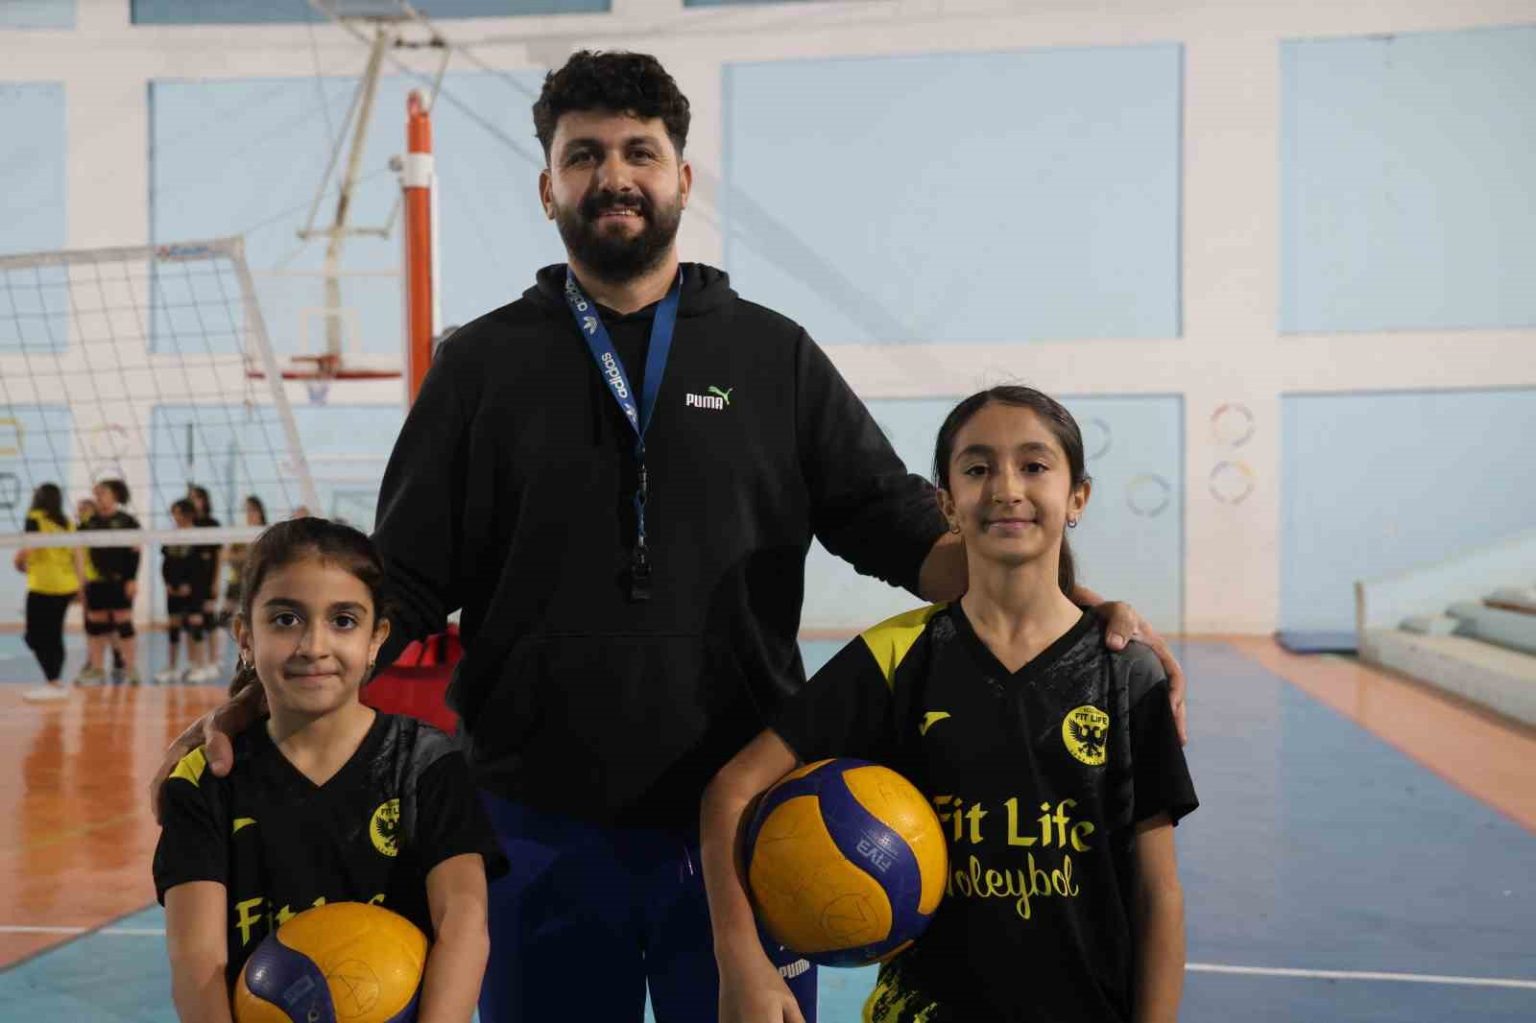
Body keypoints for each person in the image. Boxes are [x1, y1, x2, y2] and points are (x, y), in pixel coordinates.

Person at [152, 50, 1187, 1023]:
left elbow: (907, 532)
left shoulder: (774, 357)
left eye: (639, 152)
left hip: (752, 827)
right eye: (585, 155)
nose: (615, 176)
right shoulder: (479, 368)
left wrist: (1066, 611)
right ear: (548, 187)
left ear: (682, 177)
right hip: (532, 822)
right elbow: (401, 586)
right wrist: (252, 704)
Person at [702, 387, 1197, 1023]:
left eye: (1034, 465)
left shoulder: (1126, 672)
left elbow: (1158, 893)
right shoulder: (894, 656)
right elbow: (733, 789)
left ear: (1078, 497)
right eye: (978, 468)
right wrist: (742, 960)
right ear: (947, 504)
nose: (1006, 488)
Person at [153, 517, 506, 1022]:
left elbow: (463, 927)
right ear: (245, 637)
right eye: (285, 619)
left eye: (343, 620)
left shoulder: (427, 764)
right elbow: (197, 960)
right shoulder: (206, 782)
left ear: (377, 638)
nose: (314, 646)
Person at [17, 483, 81, 703]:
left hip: (43, 585)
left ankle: (53, 683)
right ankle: (55, 682)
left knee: (34, 636)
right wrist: (81, 587)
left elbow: (30, 547)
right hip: (66, 585)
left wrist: (18, 560)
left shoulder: (34, 518)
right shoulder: (68, 523)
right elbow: (77, 556)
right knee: (53, 634)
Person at [77, 478, 142, 686]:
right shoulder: (88, 522)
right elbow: (79, 551)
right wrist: (81, 582)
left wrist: (132, 579)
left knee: (124, 623)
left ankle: (131, 669)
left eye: (102, 492)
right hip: (96, 582)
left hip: (120, 580)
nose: (98, 497)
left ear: (115, 495)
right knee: (96, 624)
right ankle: (97, 669)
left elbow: (135, 551)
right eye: (96, 494)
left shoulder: (127, 521)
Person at [156, 499, 205, 685]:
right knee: (173, 626)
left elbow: (201, 567)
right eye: (174, 513)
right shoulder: (171, 535)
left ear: (188, 514)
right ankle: (172, 667)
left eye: (178, 513)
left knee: (195, 625)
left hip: (194, 589)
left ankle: (197, 666)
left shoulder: (199, 536)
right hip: (173, 589)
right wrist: (167, 584)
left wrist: (191, 585)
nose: (175, 517)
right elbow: (166, 563)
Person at [217, 495, 266, 638]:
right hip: (236, 581)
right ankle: (220, 653)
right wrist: (245, 555)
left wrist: (241, 555)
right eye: (245, 510)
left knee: (255, 622)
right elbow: (224, 556)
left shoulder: (266, 533)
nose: (248, 513)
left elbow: (262, 558)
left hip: (257, 583)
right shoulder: (239, 533)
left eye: (252, 510)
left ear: (260, 511)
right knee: (223, 620)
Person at [187, 485, 224, 675]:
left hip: (208, 579)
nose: (194, 501)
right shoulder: (187, 524)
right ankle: (196, 662)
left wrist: (216, 581)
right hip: (191, 581)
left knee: (210, 621)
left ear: (204, 500)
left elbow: (219, 555)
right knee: (193, 622)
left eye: (197, 497)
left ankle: (214, 661)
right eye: (190, 497)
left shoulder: (212, 524)